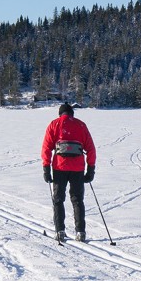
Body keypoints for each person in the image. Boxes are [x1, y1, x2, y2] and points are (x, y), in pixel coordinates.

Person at [40, 102, 97, 242]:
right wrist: (91, 169)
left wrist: (46, 168)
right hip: (78, 168)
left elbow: (46, 148)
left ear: (60, 113)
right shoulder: (81, 125)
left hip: (59, 167)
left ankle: (60, 231)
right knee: (78, 200)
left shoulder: (54, 124)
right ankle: (81, 232)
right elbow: (91, 149)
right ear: (72, 113)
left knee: (58, 199)